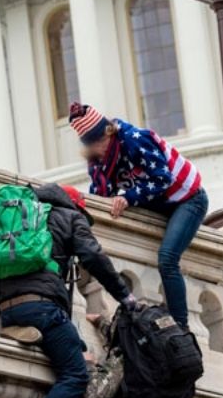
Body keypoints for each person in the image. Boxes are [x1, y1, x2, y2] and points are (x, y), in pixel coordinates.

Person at [0, 183, 135, 398]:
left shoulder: (22, 212)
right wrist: (124, 296)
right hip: (42, 306)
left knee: (73, 345)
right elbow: (94, 257)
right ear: (76, 206)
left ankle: (26, 331)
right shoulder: (70, 217)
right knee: (74, 373)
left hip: (9, 305)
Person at [71, 102, 207, 329]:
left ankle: (181, 326)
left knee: (167, 259)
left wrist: (129, 197)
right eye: (93, 145)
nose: (99, 149)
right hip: (157, 203)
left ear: (109, 133)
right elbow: (101, 197)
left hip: (187, 199)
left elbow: (163, 178)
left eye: (101, 142)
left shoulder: (134, 139)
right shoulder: (98, 160)